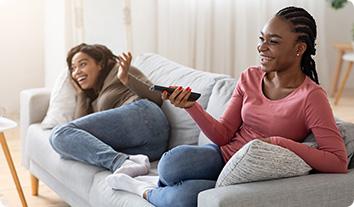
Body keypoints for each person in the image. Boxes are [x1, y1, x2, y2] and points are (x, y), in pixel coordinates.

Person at [105, 6, 349, 207]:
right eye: (261, 39)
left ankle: (142, 189)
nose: (261, 48)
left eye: (272, 42)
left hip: (247, 177)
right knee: (170, 165)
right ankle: (156, 181)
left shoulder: (311, 97)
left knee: (184, 198)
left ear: (299, 49)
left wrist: (277, 142)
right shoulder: (250, 77)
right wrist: (192, 106)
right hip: (221, 156)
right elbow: (222, 135)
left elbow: (337, 161)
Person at [49, 43, 170, 177]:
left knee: (59, 134)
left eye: (82, 64)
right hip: (149, 149)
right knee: (66, 147)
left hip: (144, 114)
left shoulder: (119, 71)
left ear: (100, 64)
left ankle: (120, 163)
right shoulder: (95, 97)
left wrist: (126, 78)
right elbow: (77, 135)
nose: (77, 72)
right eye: (73, 68)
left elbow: (157, 98)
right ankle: (126, 162)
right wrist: (81, 94)